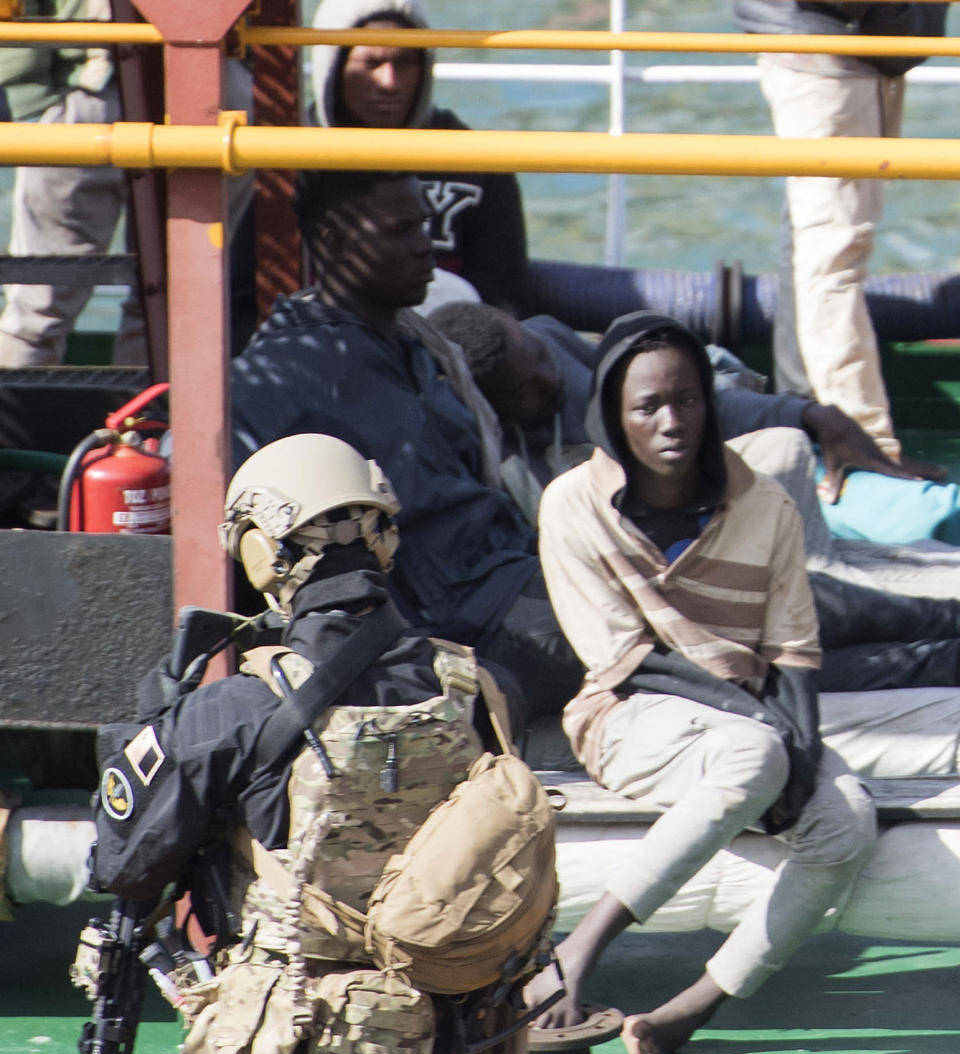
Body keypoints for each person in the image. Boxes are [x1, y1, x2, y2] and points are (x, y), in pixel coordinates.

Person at [89, 433, 515, 1054]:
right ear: (382, 535)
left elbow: (122, 858)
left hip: (302, 1050)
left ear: (261, 545)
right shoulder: (479, 687)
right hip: (457, 1038)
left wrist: (156, 723)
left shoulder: (234, 712)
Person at [523, 309, 885, 1054]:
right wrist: (769, 733)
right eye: (647, 405)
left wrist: (805, 749)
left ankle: (692, 1006)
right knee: (755, 753)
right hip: (627, 714)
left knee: (848, 821)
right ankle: (580, 950)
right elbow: (620, 656)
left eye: (686, 399)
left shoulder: (766, 505)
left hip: (751, 721)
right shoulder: (572, 505)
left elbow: (792, 650)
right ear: (614, 418)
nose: (671, 420)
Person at [428, 300, 960, 694]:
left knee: (875, 611)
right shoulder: (526, 484)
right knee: (864, 658)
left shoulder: (553, 342)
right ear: (487, 408)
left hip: (720, 540)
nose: (551, 381)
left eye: (541, 356)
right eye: (526, 391)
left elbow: (694, 406)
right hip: (665, 600)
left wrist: (809, 413)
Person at [232, 168, 582, 721]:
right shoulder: (307, 373)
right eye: (401, 231)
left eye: (424, 225)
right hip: (459, 618)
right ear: (336, 243)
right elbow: (423, 548)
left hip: (497, 575)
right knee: (633, 620)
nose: (426, 247)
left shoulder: (404, 344)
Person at [732, 1, 949, 479]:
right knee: (833, 249)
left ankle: (808, 420)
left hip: (840, 41)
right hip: (831, 44)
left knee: (815, 238)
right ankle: (862, 446)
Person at [308, 0, 528, 311]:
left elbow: (503, 294)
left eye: (406, 62)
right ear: (333, 67)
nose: (390, 82)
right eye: (371, 63)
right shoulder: (283, 160)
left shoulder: (476, 162)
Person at [0, 0, 146, 368]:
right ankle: (153, 421)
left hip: (88, 83)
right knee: (172, 307)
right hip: (89, 87)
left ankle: (151, 419)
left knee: (37, 312)